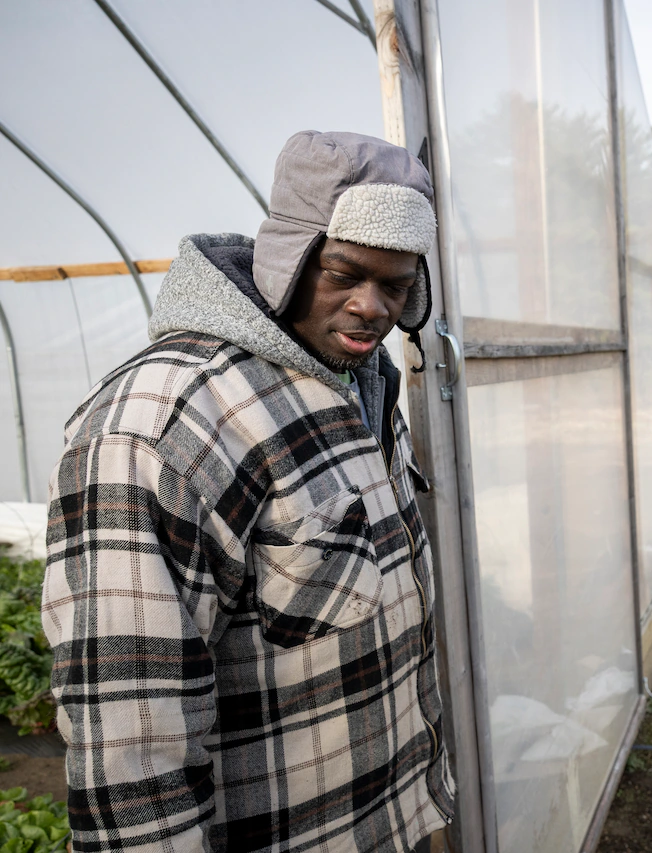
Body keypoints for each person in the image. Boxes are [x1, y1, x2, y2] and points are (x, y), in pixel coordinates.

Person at [42, 131, 454, 852]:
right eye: (343, 272)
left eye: (395, 286)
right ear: (287, 255)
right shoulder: (163, 427)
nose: (372, 307)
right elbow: (133, 749)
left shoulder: (359, 379)